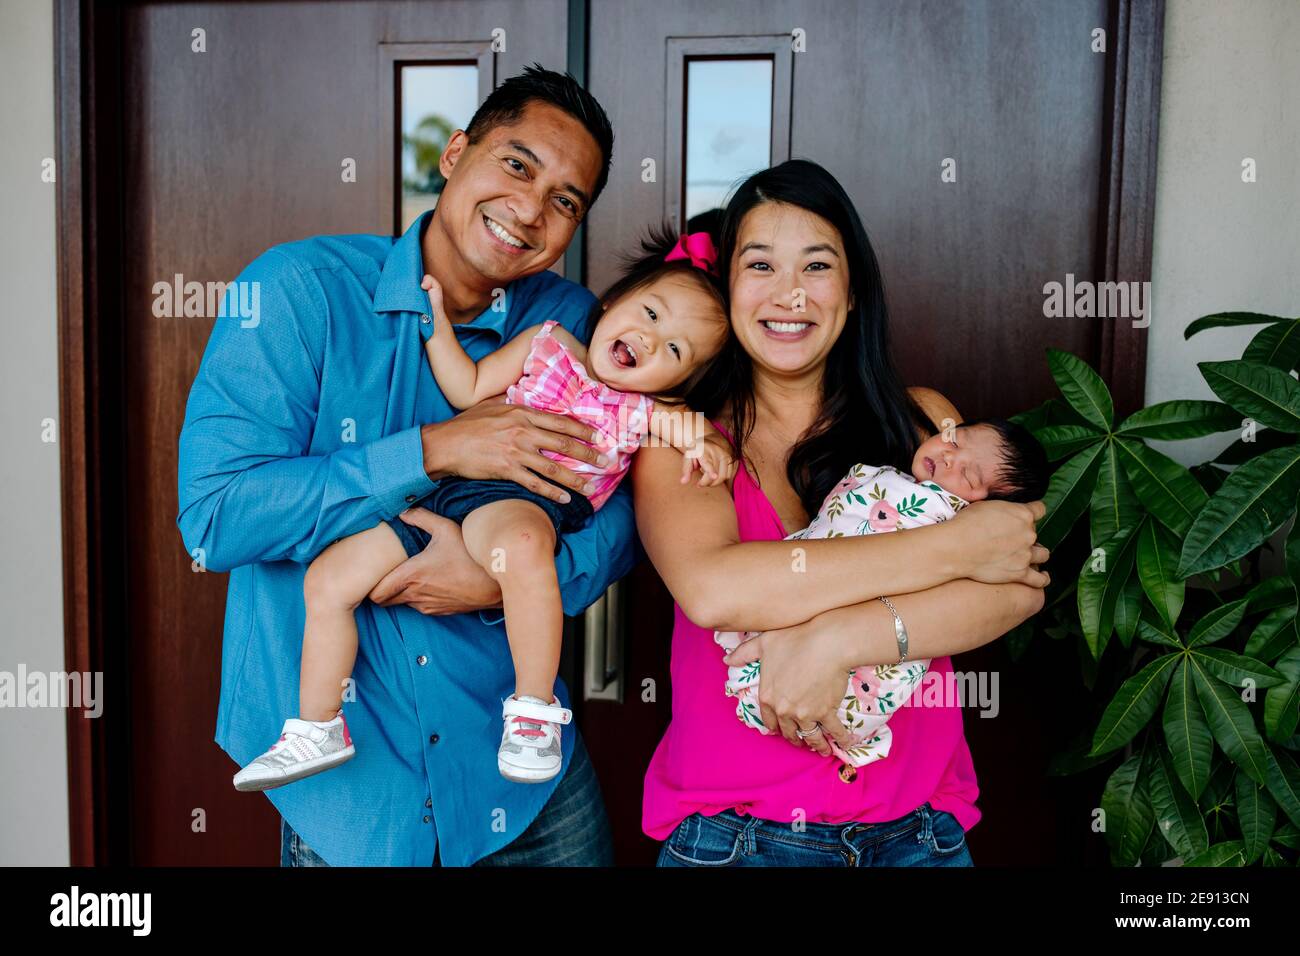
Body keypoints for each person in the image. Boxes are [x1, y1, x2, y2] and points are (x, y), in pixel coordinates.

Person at [178, 65, 631, 866]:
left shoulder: (569, 326)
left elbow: (625, 507)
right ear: (455, 154)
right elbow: (216, 517)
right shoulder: (298, 292)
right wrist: (434, 449)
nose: (530, 210)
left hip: (528, 791)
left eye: (565, 201)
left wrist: (505, 578)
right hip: (353, 805)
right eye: (516, 165)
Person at [633, 159, 1051, 867]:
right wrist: (957, 550)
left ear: (853, 292)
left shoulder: (927, 426)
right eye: (760, 265)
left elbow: (1014, 588)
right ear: (727, 286)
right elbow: (714, 588)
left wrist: (839, 640)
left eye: (817, 265)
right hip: (738, 843)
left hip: (919, 836)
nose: (789, 293)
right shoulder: (685, 439)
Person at [232, 227, 732, 791]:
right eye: (651, 313)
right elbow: (468, 387)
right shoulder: (547, 342)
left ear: (679, 383)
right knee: (329, 579)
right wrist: (437, 326)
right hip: (452, 488)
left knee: (522, 548)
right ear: (613, 301)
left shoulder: (643, 409)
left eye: (675, 350)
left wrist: (708, 444)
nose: (650, 338)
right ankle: (319, 725)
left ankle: (533, 712)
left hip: (526, 502)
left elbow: (689, 430)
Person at [715, 418, 1049, 776]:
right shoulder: (703, 442)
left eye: (968, 475)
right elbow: (712, 597)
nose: (950, 457)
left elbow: (1023, 593)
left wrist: (836, 641)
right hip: (738, 778)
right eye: (954, 439)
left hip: (910, 783)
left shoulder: (948, 501)